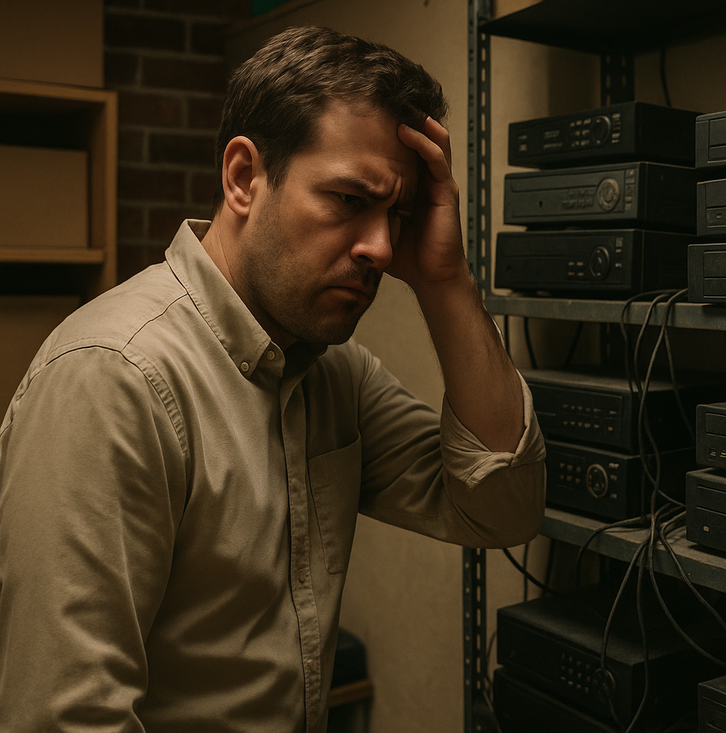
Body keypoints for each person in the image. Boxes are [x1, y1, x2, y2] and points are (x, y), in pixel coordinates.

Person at [0, 25, 545, 732]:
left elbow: (505, 510)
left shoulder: (333, 372)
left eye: (398, 215)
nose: (382, 248)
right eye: (349, 200)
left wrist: (446, 280)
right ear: (243, 178)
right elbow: (68, 719)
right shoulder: (113, 379)